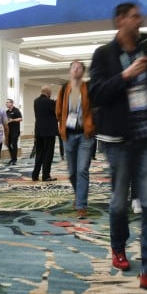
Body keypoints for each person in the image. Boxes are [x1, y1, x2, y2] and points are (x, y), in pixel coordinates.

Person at [89, 2, 147, 294]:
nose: (140, 21)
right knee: (119, 202)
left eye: (140, 16)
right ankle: (118, 246)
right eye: (135, 16)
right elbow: (96, 93)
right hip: (118, 139)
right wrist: (126, 75)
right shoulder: (104, 54)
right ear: (120, 20)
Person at [56, 61, 95, 216]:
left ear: (83, 71)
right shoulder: (65, 88)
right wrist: (62, 126)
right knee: (72, 172)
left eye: (79, 67)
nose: (76, 69)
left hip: (85, 134)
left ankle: (81, 205)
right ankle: (78, 195)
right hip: (68, 134)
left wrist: (92, 125)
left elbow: (95, 108)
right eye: (73, 67)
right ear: (70, 71)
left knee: (82, 170)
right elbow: (58, 111)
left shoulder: (88, 88)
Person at [31, 85, 58, 181]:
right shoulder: (50, 102)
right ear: (48, 92)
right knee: (48, 154)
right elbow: (57, 113)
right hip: (49, 132)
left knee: (39, 154)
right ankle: (46, 175)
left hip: (38, 131)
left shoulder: (36, 101)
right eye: (50, 92)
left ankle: (35, 174)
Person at [4, 98, 22, 165]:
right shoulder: (7, 112)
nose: (6, 104)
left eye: (8, 102)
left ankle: (14, 159)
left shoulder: (16, 110)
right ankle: (12, 157)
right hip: (9, 130)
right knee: (8, 144)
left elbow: (20, 118)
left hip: (15, 130)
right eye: (6, 102)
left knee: (14, 144)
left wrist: (13, 120)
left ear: (11, 103)